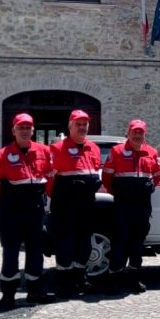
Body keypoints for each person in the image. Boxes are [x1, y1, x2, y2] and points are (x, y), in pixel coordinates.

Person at [0, 113, 56, 309]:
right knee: (11, 252)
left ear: (33, 130)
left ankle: (35, 291)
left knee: (35, 251)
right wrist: (11, 199)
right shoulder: (2, 155)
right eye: (21, 128)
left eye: (28, 127)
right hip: (11, 212)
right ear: (13, 130)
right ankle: (8, 295)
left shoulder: (44, 151)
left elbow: (50, 177)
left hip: (34, 211)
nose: (25, 131)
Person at [102, 119, 160, 294]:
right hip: (123, 205)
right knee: (120, 241)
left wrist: (145, 189)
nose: (137, 135)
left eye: (140, 132)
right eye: (134, 132)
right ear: (128, 133)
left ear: (145, 134)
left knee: (137, 243)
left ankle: (134, 279)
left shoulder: (151, 152)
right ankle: (114, 279)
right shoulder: (117, 151)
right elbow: (107, 177)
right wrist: (120, 193)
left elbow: (157, 175)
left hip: (142, 206)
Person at [48, 109, 101, 297]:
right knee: (65, 243)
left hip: (86, 205)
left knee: (84, 242)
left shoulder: (93, 148)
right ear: (70, 126)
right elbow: (49, 180)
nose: (82, 127)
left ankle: (80, 277)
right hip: (65, 205)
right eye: (78, 124)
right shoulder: (57, 149)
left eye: (85, 124)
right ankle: (63, 281)